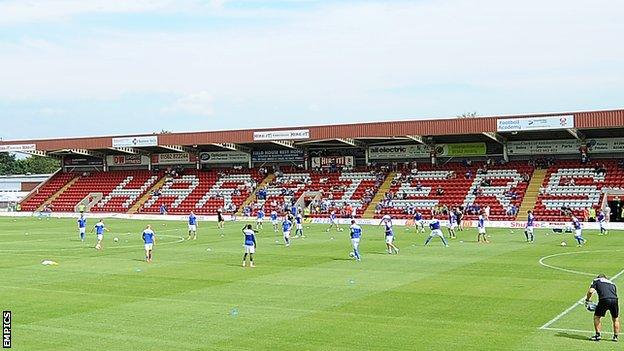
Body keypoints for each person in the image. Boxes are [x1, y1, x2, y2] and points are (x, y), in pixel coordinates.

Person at [586, 274, 620, 342]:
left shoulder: (596, 280)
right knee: (615, 318)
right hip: (615, 300)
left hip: (604, 300)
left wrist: (587, 300)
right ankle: (615, 336)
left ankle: (598, 335)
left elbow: (590, 291)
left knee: (597, 317)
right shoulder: (612, 283)